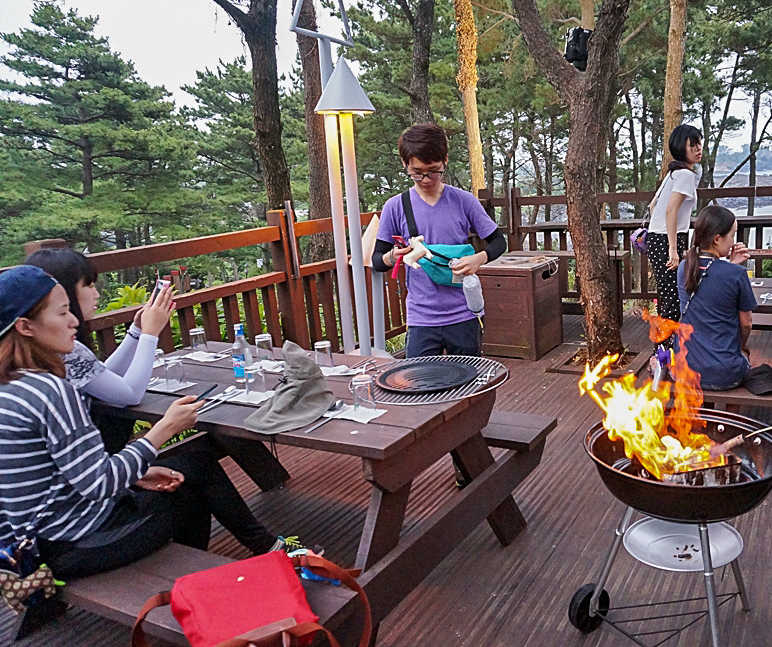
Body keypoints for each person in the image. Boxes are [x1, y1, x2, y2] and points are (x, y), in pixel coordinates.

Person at [0, 265, 307, 580]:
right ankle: (223, 572)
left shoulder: (14, 384)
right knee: (193, 490)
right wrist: (165, 429)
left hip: (32, 543)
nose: (74, 321)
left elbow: (57, 476)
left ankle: (253, 555)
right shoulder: (49, 390)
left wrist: (137, 475)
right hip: (75, 544)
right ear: (25, 327)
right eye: (63, 312)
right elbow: (100, 483)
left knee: (192, 469)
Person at [372, 123, 507, 357]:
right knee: (421, 378)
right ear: (405, 164)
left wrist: (478, 259)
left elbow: (498, 241)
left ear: (445, 160)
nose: (426, 179)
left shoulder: (463, 201)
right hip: (421, 318)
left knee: (469, 378)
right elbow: (376, 260)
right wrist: (393, 256)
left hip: (464, 313)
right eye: (417, 172)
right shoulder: (396, 206)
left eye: (433, 171)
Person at [25, 249, 174, 449]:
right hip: (88, 454)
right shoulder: (62, 350)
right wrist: (151, 333)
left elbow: (99, 374)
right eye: (89, 286)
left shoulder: (34, 344)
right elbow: (130, 395)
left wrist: (137, 330)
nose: (96, 294)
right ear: (63, 291)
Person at [676, 206, 755, 390]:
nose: (734, 242)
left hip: (684, 369)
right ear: (717, 239)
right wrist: (741, 347)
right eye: (732, 235)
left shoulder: (683, 268)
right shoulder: (736, 274)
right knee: (744, 355)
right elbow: (746, 323)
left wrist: (730, 264)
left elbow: (709, 283)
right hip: (723, 374)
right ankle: (730, 409)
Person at [645, 124, 703, 323]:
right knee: (673, 298)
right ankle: (667, 341)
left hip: (657, 237)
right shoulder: (685, 175)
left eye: (699, 143)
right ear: (680, 148)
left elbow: (653, 205)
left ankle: (665, 340)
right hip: (667, 240)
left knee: (668, 294)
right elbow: (671, 210)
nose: (698, 148)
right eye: (692, 145)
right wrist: (672, 247)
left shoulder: (674, 173)